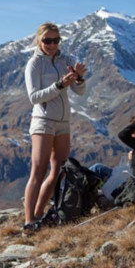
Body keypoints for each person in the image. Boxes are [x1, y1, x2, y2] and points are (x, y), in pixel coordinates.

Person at [23, 22, 87, 232]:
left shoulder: (66, 60)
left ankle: (40, 215)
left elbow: (80, 92)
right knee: (38, 171)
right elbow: (34, 97)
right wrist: (59, 84)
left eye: (55, 40)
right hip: (43, 121)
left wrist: (79, 78)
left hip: (63, 123)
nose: (51, 44)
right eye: (47, 40)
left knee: (59, 171)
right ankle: (28, 221)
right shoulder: (34, 64)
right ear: (38, 40)